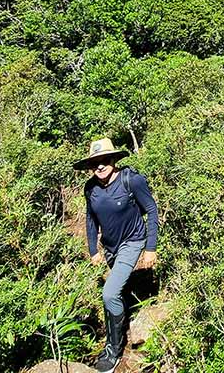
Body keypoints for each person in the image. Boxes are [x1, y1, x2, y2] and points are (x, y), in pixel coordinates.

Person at [74, 137, 159, 372]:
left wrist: (150, 248)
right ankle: (118, 328)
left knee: (109, 293)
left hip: (132, 242)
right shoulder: (90, 188)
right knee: (115, 291)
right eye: (94, 163)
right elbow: (91, 220)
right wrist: (93, 250)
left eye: (104, 160)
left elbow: (151, 209)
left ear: (114, 159)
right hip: (110, 247)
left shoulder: (131, 180)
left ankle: (113, 350)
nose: (99, 166)